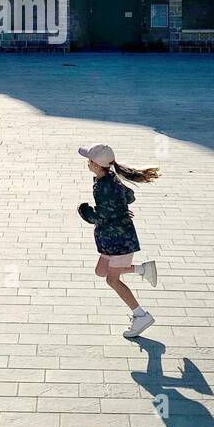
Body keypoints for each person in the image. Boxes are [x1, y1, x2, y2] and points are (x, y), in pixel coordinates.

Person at [77, 143, 159, 339]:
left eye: (89, 160)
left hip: (119, 241)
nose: (87, 163)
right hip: (112, 238)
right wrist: (120, 207)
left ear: (96, 164)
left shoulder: (106, 186)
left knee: (112, 279)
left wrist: (84, 210)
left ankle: (141, 315)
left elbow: (100, 216)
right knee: (101, 271)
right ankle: (142, 269)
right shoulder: (108, 179)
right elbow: (129, 196)